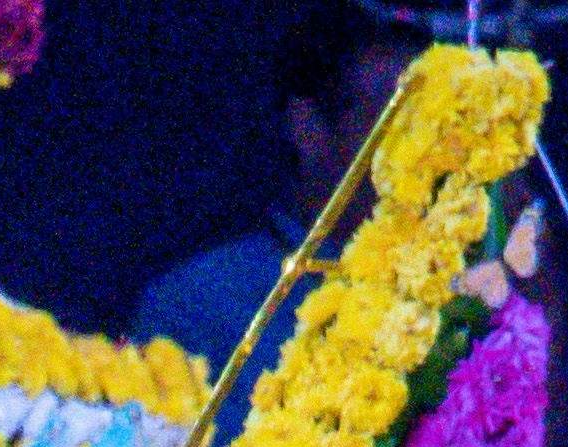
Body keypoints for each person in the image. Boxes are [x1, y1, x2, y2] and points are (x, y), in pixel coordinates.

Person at [135, 10, 420, 374]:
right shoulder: (198, 305)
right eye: (401, 125)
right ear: (309, 130)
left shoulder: (466, 291)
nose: (430, 151)